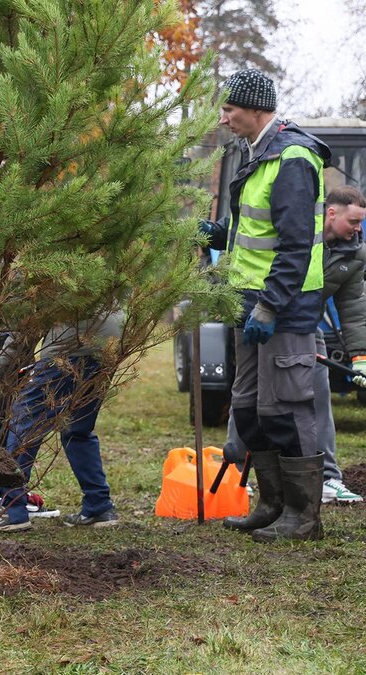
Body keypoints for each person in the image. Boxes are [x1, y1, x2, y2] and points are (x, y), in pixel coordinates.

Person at [200, 69, 330, 542]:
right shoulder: (255, 154)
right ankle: (272, 503)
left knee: (287, 407)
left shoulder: (292, 157)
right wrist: (219, 235)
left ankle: (303, 515)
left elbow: (295, 245)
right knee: (250, 407)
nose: (224, 117)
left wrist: (271, 306)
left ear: (256, 109)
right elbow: (257, 232)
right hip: (249, 301)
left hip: (284, 307)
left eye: (230, 109)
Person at [221, 186, 366, 505]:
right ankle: (235, 473)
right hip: (261, 317)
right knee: (248, 393)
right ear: (332, 212)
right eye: (353, 221)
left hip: (303, 325)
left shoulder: (354, 254)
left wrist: (361, 357)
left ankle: (327, 478)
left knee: (318, 395)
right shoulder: (298, 230)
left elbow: (354, 308)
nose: (358, 229)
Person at [0, 310, 124, 533]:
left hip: (69, 347)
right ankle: (99, 506)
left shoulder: (34, 276)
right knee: (77, 427)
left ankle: (10, 509)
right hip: (110, 343)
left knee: (25, 419)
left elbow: (23, 330)